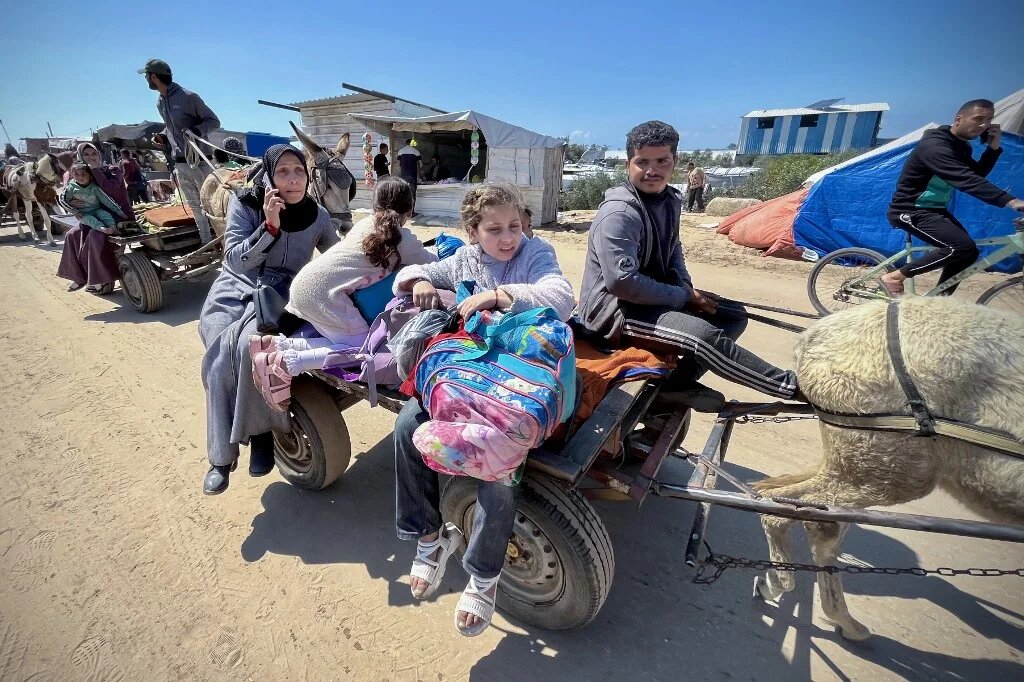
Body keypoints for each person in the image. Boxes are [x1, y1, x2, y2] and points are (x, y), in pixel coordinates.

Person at [390, 182, 575, 636]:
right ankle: (430, 538)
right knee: (407, 425)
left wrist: (498, 296)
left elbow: (561, 296)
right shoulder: (465, 259)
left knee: (498, 457)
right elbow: (413, 272)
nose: (508, 237)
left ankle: (484, 574)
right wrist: (418, 282)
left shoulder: (536, 253)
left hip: (520, 380)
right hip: (473, 375)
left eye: (514, 226)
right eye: (494, 229)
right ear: (472, 232)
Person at [577, 121, 800, 402]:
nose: (651, 170)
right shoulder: (619, 214)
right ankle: (791, 387)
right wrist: (683, 297)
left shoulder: (670, 200)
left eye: (662, 161)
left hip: (652, 299)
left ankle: (677, 383)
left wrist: (686, 287)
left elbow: (674, 248)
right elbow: (623, 284)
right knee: (704, 337)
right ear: (627, 164)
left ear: (675, 162)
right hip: (616, 313)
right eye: (642, 162)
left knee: (734, 315)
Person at [199, 145, 341, 495]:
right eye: (283, 171)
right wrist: (269, 227)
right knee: (219, 355)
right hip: (237, 288)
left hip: (278, 297)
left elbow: (337, 256)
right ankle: (222, 457)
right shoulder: (246, 204)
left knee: (252, 347)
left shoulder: (318, 215)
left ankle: (262, 434)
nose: (293, 179)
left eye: (299, 171)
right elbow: (235, 260)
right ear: (270, 176)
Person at [249, 176, 438, 402]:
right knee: (364, 349)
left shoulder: (364, 224)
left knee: (343, 342)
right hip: (326, 297)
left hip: (304, 285)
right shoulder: (403, 238)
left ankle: (276, 345)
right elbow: (433, 264)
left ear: (374, 205)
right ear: (409, 210)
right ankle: (287, 363)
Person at [880, 99, 1024, 295]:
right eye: (978, 119)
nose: (984, 125)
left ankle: (939, 300)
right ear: (958, 119)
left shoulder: (961, 146)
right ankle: (894, 277)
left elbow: (976, 174)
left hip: (934, 210)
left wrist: (992, 149)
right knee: (961, 248)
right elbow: (965, 179)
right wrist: (1011, 201)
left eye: (989, 120)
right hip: (910, 209)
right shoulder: (934, 146)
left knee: (969, 253)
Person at [140, 58, 221, 244]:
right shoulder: (160, 102)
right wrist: (162, 135)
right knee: (195, 207)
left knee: (211, 205)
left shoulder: (189, 97)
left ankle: (223, 242)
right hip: (181, 163)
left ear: (153, 77)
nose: (146, 80)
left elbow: (214, 121)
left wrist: (196, 131)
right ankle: (207, 244)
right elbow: (171, 127)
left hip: (200, 161)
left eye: (146, 76)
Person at [57, 143, 134, 294]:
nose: (91, 157)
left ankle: (99, 279)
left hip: (118, 215)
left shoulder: (112, 170)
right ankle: (79, 277)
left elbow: (111, 190)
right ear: (80, 157)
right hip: (94, 216)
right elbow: (68, 194)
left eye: (94, 154)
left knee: (95, 236)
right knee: (71, 235)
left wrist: (95, 170)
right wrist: (73, 203)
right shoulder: (81, 174)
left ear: (99, 155)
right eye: (86, 154)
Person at [62, 162, 126, 232]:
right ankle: (103, 229)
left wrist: (119, 211)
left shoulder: (94, 187)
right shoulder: (71, 187)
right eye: (76, 174)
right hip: (81, 213)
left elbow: (106, 199)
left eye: (83, 174)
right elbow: (63, 200)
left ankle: (113, 228)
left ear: (90, 176)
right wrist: (74, 211)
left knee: (105, 215)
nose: (80, 177)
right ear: (72, 175)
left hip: (96, 210)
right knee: (90, 220)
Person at [395, 139, 421, 208]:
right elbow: (421, 165)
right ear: (412, 144)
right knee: (412, 194)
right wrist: (419, 175)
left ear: (406, 144)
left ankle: (404, 211)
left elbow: (398, 165)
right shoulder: (416, 151)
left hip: (403, 177)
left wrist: (400, 174)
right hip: (413, 176)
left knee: (404, 193)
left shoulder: (400, 152)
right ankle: (412, 211)